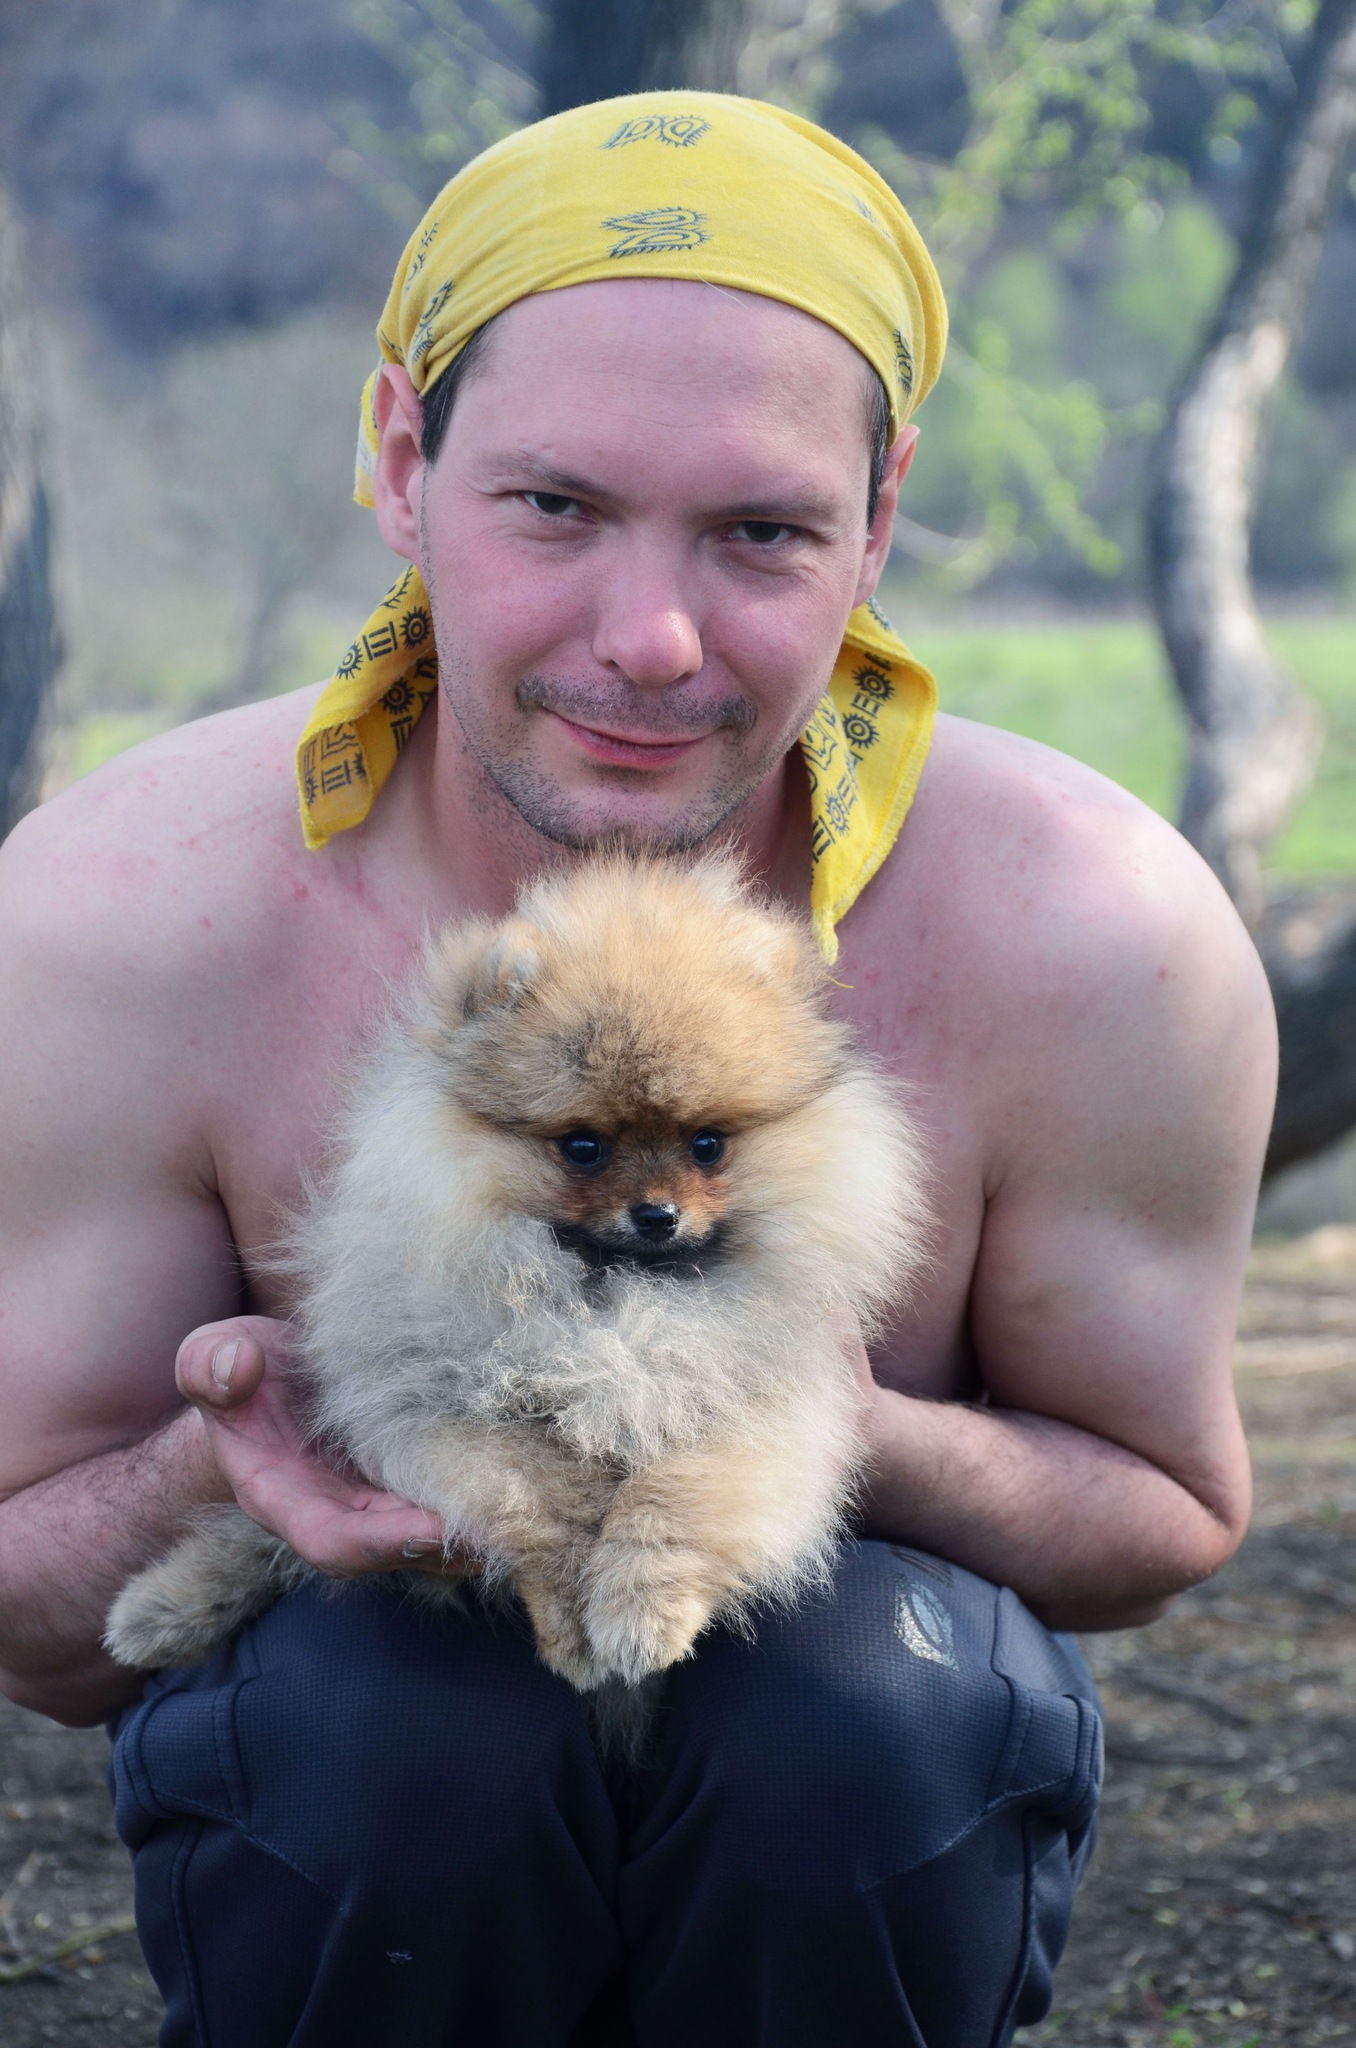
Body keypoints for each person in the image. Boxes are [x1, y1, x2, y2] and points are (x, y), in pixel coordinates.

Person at [0, 91, 1272, 2048]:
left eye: (761, 530)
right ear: (400, 459)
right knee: (383, 1718)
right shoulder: (115, 917)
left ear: (879, 518)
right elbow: (34, 1625)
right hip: (369, 1801)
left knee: (861, 1704)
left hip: (841, 1784)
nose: (655, 637)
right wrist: (239, 1453)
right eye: (557, 506)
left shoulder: (1102, 934)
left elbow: (1167, 1516)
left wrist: (839, 1434)